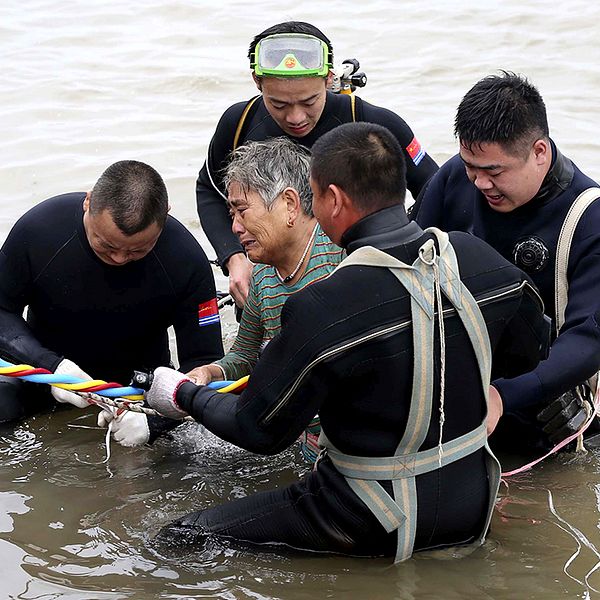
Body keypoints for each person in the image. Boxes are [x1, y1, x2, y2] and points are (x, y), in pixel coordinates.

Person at [144, 122, 548, 562]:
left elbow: (256, 430)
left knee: (184, 534)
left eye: (315, 196)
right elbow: (532, 351)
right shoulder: (478, 258)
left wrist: (183, 392)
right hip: (472, 504)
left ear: (332, 200)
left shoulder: (323, 303)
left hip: (371, 517)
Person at [412, 71, 600, 451]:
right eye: (471, 166)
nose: (479, 183)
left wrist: (504, 396)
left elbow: (588, 338)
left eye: (494, 172)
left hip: (543, 399)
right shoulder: (455, 178)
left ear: (539, 153)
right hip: (458, 382)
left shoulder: (589, 219)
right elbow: (406, 260)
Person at [196, 20, 438, 308]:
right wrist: (234, 257)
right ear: (257, 82)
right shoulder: (239, 123)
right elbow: (209, 190)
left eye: (309, 101)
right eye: (279, 104)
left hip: (361, 285)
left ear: (328, 79)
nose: (296, 117)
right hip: (269, 290)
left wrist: (404, 254)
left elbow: (436, 188)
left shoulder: (376, 124)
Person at [0, 160, 224, 444]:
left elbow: (205, 363)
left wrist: (155, 421)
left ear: (164, 218)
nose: (119, 259)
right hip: (46, 377)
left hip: (136, 392)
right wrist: (49, 366)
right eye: (106, 245)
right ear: (88, 202)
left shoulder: (186, 260)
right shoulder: (39, 230)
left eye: (137, 250)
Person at [189, 137, 344, 462]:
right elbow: (244, 358)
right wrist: (208, 374)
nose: (234, 227)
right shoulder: (261, 276)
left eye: (242, 210)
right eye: (231, 213)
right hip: (306, 448)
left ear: (289, 204)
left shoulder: (341, 254)